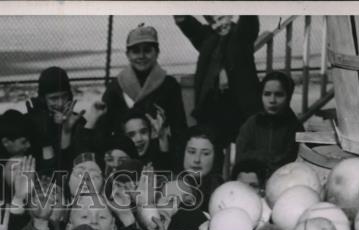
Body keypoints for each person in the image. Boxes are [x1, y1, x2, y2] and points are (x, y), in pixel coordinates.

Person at [100, 23, 187, 156]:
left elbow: (179, 129)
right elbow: (103, 129)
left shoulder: (169, 85)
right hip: (125, 155)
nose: (141, 56)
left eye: (147, 50)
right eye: (135, 51)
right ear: (127, 55)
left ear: (157, 52)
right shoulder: (116, 85)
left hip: (159, 154)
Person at [175, 14, 262, 145]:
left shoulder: (242, 35)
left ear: (230, 16)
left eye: (221, 18)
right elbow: (186, 22)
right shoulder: (207, 37)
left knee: (242, 147)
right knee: (213, 148)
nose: (218, 24)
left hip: (239, 107)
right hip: (212, 106)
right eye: (212, 21)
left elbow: (249, 19)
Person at [234, 71, 304, 172]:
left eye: (279, 95)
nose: (272, 100)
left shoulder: (295, 128)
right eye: (267, 94)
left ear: (288, 97)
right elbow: (241, 159)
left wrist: (259, 157)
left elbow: (295, 163)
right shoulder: (251, 125)